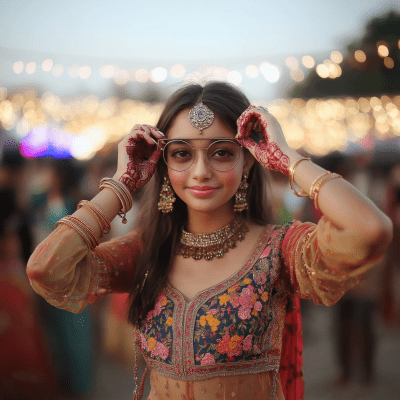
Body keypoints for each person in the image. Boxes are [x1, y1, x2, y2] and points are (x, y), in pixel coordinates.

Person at [27, 82, 393, 400]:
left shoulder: (278, 250)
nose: (201, 171)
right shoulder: (146, 251)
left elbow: (370, 230)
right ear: (163, 164)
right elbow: (46, 270)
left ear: (248, 160)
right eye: (182, 154)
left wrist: (288, 158)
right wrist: (123, 183)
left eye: (221, 152)